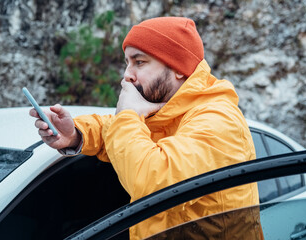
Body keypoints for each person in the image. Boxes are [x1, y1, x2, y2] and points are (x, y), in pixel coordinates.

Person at [30, 17, 262, 240]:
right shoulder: (170, 111)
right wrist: (75, 134)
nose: (127, 75)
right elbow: (116, 131)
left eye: (139, 62)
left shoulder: (218, 120)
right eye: (127, 63)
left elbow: (154, 184)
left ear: (178, 67)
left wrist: (129, 114)